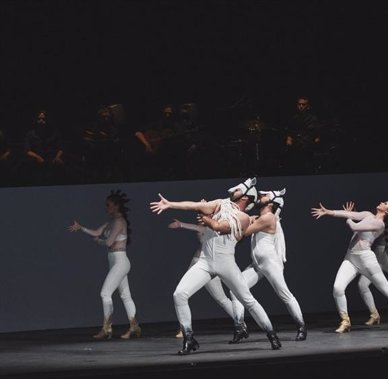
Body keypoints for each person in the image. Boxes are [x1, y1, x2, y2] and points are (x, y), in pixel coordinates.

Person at [150, 177, 282, 354]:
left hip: (225, 263)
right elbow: (195, 205)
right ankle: (189, 338)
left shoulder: (243, 217)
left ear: (244, 197)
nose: (232, 191)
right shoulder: (220, 203)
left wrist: (208, 219)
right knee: (179, 294)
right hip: (205, 261)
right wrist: (170, 204)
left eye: (237, 190)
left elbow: (222, 228)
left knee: (248, 301)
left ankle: (271, 334)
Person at [311, 200, 388, 333]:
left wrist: (348, 216)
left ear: (387, 211)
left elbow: (354, 227)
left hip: (366, 260)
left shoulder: (379, 224)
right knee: (337, 288)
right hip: (350, 258)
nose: (381, 202)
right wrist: (329, 212)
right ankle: (345, 321)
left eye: (385, 203)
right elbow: (351, 215)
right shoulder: (368, 215)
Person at [229, 188, 307, 342]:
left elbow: (243, 233)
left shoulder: (269, 218)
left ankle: (301, 326)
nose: (260, 197)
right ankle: (240, 327)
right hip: (257, 265)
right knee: (236, 289)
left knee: (284, 294)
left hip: (270, 264)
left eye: (264, 196)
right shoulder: (260, 218)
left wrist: (241, 219)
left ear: (271, 203)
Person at [68, 190, 142, 340]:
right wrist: (81, 228)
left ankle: (107, 328)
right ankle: (134, 327)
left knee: (105, 293)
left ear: (116, 206)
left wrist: (99, 241)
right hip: (114, 260)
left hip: (121, 260)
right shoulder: (110, 222)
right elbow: (96, 232)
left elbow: (108, 242)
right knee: (125, 295)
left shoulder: (120, 222)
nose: (106, 208)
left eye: (108, 205)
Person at [168, 217, 237, 339]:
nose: (199, 216)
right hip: (196, 263)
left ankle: (240, 321)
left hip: (207, 265)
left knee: (221, 299)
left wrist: (182, 224)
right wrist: (181, 224)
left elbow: (199, 228)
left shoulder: (213, 228)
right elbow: (196, 227)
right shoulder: (204, 226)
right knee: (181, 295)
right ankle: (183, 328)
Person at [24, 110, 64, 184]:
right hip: (36, 160)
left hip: (52, 159)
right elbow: (27, 150)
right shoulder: (30, 134)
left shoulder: (55, 132)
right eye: (39, 119)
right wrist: (37, 157)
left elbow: (61, 148)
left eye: (44, 119)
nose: (41, 121)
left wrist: (58, 157)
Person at [285, 97, 320, 173]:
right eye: (299, 104)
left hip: (308, 146)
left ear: (307, 106)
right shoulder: (294, 118)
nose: (301, 106)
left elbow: (315, 133)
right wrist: (289, 139)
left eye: (303, 105)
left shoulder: (313, 119)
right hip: (296, 146)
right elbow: (290, 131)